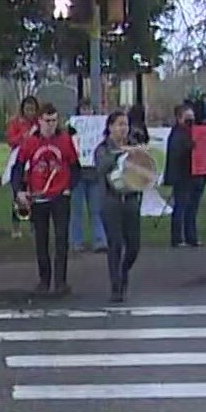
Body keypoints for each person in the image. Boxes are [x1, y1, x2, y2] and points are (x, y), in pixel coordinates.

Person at [13, 102, 79, 296]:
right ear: (39, 121)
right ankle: (44, 279)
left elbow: (76, 168)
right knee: (41, 240)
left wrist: (69, 188)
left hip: (60, 197)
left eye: (54, 120)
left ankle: (60, 281)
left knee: (61, 239)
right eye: (47, 121)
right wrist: (19, 191)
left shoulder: (65, 140)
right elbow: (17, 167)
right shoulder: (31, 142)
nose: (51, 125)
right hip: (39, 198)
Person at [95, 110, 144, 303]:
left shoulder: (133, 145)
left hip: (131, 199)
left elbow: (143, 168)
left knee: (134, 247)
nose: (124, 129)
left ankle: (124, 270)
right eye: (120, 125)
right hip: (111, 200)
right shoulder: (103, 148)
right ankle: (116, 286)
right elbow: (101, 167)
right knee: (115, 245)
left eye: (126, 124)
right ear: (110, 127)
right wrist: (120, 153)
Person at [163, 103, 204, 249]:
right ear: (179, 118)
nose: (191, 120)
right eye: (188, 117)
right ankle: (177, 238)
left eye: (192, 117)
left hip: (196, 174)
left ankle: (191, 236)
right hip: (183, 176)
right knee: (181, 206)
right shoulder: (178, 133)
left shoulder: (195, 132)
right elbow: (177, 154)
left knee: (193, 208)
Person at [69, 103, 107, 255]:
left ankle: (100, 240)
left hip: (94, 174)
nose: (87, 112)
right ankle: (77, 241)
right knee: (77, 210)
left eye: (89, 109)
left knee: (96, 210)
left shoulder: (99, 129)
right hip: (78, 175)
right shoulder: (72, 129)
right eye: (83, 109)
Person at [5, 96, 40, 240]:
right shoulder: (16, 123)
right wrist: (23, 136)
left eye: (32, 109)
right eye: (27, 109)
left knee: (34, 193)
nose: (30, 112)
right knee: (18, 194)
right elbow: (11, 140)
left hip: (33, 162)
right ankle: (16, 225)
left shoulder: (39, 123)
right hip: (19, 161)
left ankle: (34, 225)